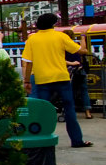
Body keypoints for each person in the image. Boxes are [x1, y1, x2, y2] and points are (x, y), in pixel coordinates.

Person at [21, 13, 92, 148]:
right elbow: (82, 51)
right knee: (69, 109)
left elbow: (28, 62)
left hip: (42, 80)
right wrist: (82, 38)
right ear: (53, 24)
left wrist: (27, 81)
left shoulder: (32, 40)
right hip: (61, 78)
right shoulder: (61, 36)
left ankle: (40, 138)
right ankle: (77, 140)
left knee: (42, 110)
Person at [62, 29, 93, 119]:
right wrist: (83, 38)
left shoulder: (63, 46)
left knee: (69, 91)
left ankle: (70, 111)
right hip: (80, 69)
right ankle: (88, 112)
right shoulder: (76, 45)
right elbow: (84, 51)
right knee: (84, 91)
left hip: (68, 71)